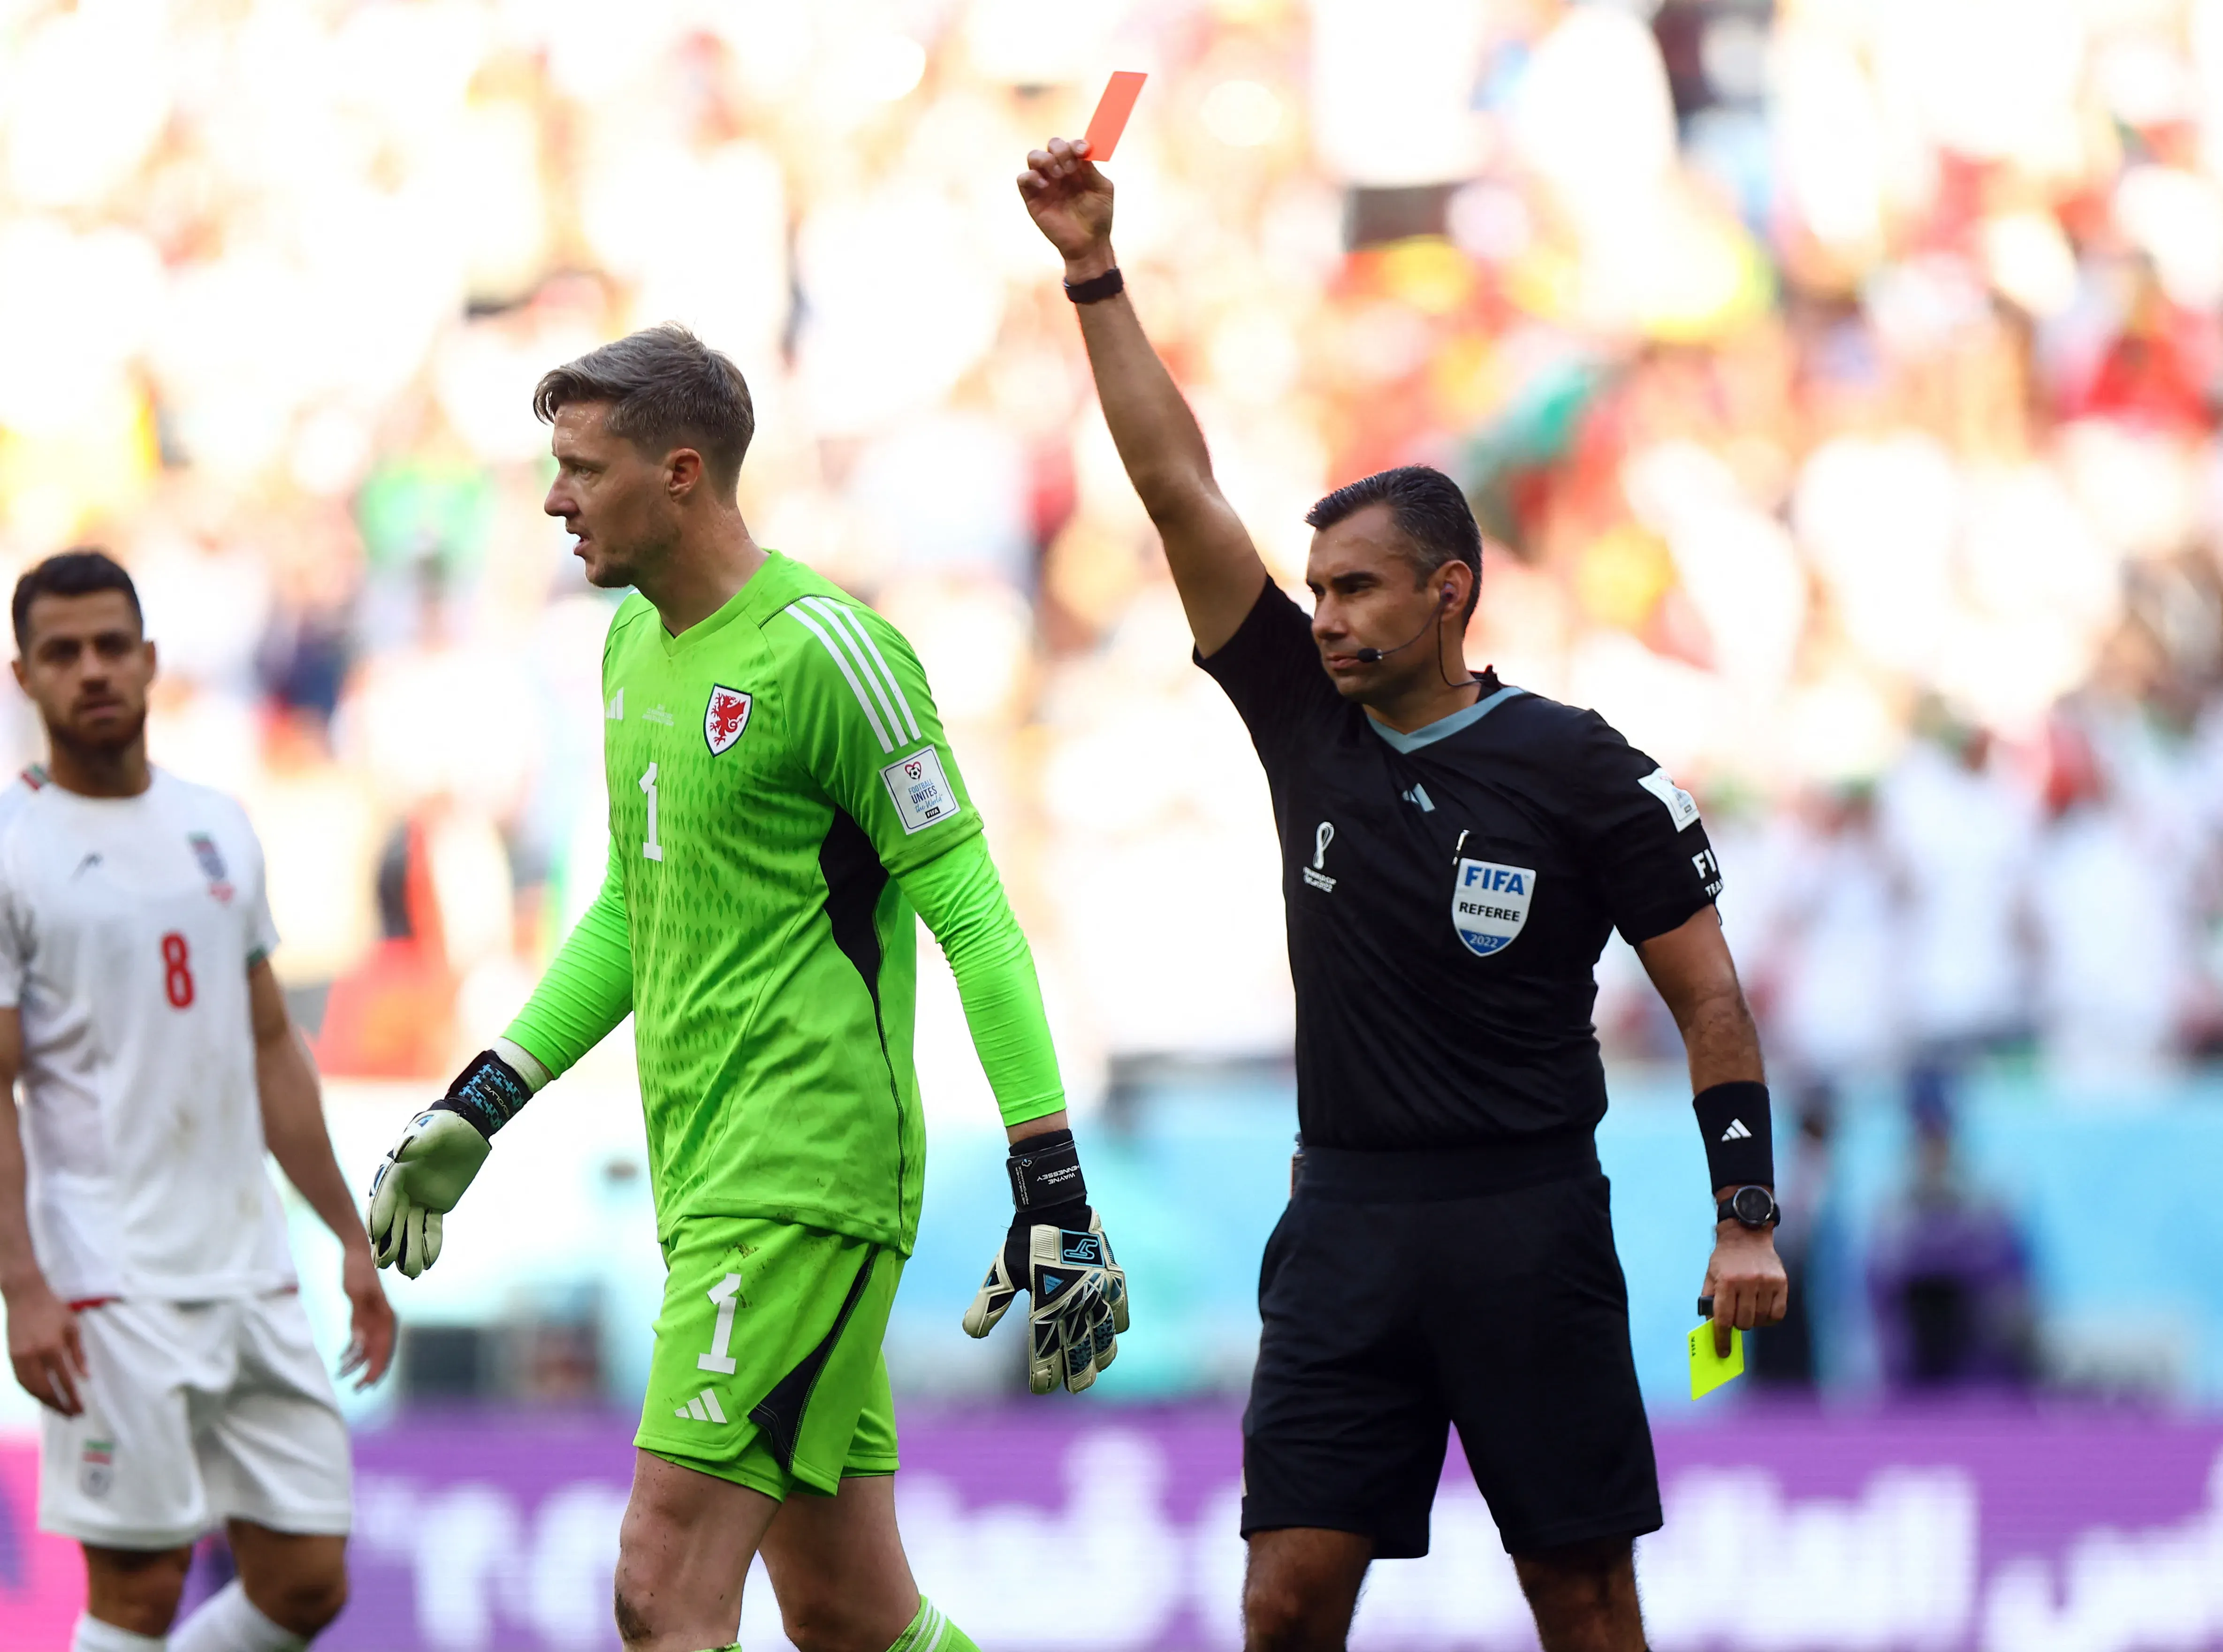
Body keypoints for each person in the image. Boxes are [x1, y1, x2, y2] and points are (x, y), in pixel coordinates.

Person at [1019, 138, 1786, 1652]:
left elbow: (1707, 996)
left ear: (1449, 590)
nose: (1322, 620)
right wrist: (1093, 270)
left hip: (1528, 1221)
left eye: (1354, 590)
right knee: (1287, 1595)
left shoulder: (1582, 771)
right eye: (1312, 593)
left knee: (1578, 1594)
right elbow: (1176, 488)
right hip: (1346, 1224)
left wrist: (1743, 1218)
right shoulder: (1305, 720)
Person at [363, 326, 1126, 1652]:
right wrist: (482, 1101)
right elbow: (631, 910)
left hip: (806, 1182)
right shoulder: (626, 652)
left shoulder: (831, 655)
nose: (551, 501)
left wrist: (1047, 1175)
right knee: (846, 1613)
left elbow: (978, 922)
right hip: (705, 1173)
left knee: (661, 1587)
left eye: (578, 471)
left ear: (679, 474)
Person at [0, 550, 396, 1652]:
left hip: (250, 1263)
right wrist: (24, 1285)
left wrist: (348, 1237)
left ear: (152, 661)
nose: (93, 671)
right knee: (137, 1587)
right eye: (63, 652)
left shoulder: (218, 825)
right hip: (108, 1280)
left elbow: (269, 1041)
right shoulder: (13, 853)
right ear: (23, 675)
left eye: (111, 646)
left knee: (307, 1578)